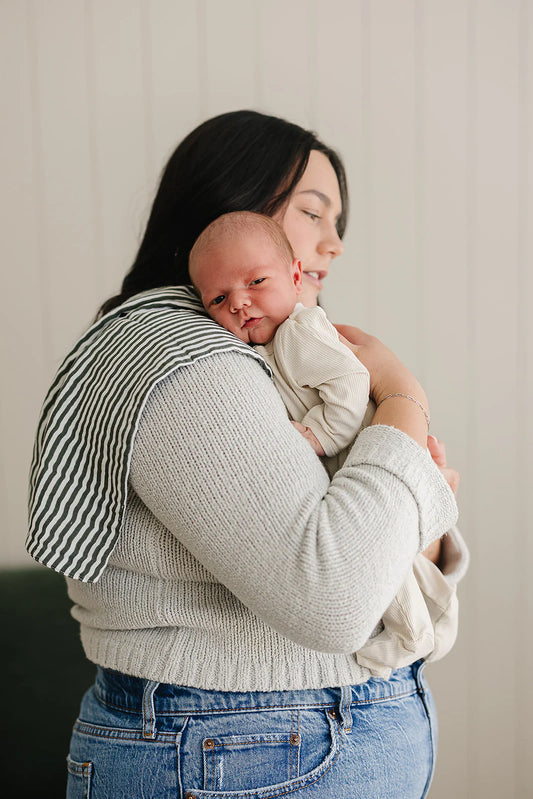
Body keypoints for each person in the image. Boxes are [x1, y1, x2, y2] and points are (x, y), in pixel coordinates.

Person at [27, 110, 468, 799]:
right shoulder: (182, 356)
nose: (333, 244)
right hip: (246, 742)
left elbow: (388, 553)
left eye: (337, 223)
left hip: (262, 740)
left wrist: (408, 512)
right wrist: (402, 397)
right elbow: (335, 597)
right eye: (313, 213)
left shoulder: (261, 361)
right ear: (234, 201)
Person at [189, 209, 459, 678]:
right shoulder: (259, 347)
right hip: (352, 462)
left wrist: (317, 434)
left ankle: (415, 640)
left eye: (256, 281)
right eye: (218, 298)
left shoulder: (301, 330)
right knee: (393, 573)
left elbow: (351, 384)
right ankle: (409, 637)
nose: (239, 303)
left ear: (294, 277)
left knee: (394, 580)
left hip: (356, 447)